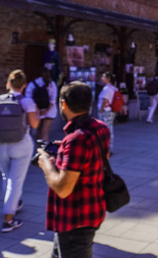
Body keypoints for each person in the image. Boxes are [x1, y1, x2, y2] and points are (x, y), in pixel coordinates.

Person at [37, 82, 110, 258]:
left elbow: (63, 189)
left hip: (75, 219)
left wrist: (46, 164)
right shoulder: (100, 128)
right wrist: (64, 150)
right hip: (92, 209)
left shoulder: (76, 139)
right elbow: (95, 158)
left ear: (64, 104)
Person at [0, 69, 39, 232]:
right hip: (21, 144)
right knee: (15, 181)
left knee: (6, 176)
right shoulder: (27, 101)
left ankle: (14, 203)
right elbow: (35, 124)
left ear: (8, 83)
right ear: (23, 86)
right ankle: (8, 219)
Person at [25, 68, 58, 141]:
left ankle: (39, 149)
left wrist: (37, 109)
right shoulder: (52, 84)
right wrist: (47, 110)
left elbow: (29, 98)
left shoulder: (33, 84)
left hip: (38, 110)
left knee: (39, 131)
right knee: (45, 132)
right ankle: (45, 149)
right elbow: (53, 99)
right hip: (50, 111)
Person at [97, 72, 116, 153]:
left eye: (103, 76)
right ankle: (108, 147)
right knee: (109, 129)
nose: (102, 78)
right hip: (110, 111)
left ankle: (106, 148)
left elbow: (105, 101)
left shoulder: (106, 89)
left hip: (105, 112)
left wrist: (101, 111)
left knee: (105, 130)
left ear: (108, 79)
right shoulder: (113, 88)